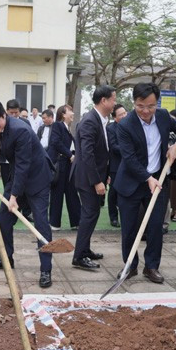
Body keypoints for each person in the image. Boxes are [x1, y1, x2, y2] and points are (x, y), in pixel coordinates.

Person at [112, 83, 176, 283]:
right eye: (140, 106)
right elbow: (129, 158)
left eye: (150, 106)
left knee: (155, 227)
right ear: (134, 102)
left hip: (159, 181)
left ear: (157, 103)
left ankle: (151, 267)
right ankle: (130, 266)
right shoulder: (125, 125)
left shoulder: (162, 116)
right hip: (131, 183)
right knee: (129, 229)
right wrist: (147, 178)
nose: (145, 111)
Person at [0, 98, 55, 288]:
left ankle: (46, 270)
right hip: (18, 176)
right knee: (4, 218)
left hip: (37, 176)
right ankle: (6, 259)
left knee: (40, 222)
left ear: (4, 115)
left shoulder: (20, 130)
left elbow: (23, 165)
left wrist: (13, 197)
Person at [71, 85, 114, 271]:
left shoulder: (100, 119)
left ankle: (85, 249)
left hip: (94, 176)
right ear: (103, 100)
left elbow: (101, 151)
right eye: (113, 99)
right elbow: (87, 155)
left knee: (92, 213)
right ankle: (79, 256)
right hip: (87, 178)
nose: (114, 103)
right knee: (89, 215)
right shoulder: (90, 121)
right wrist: (97, 181)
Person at [48, 105, 81, 231]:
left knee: (72, 192)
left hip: (69, 165)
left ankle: (76, 222)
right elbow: (55, 142)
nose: (73, 113)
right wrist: (69, 155)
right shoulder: (58, 125)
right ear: (63, 114)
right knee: (57, 193)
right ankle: (54, 223)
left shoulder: (67, 128)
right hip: (61, 163)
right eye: (70, 111)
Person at [106, 103, 127, 228]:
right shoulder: (111, 128)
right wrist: (128, 149)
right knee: (113, 192)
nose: (124, 116)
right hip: (116, 165)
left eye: (125, 113)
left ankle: (125, 216)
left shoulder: (132, 125)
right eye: (121, 114)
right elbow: (113, 146)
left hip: (130, 164)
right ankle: (113, 217)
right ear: (115, 118)